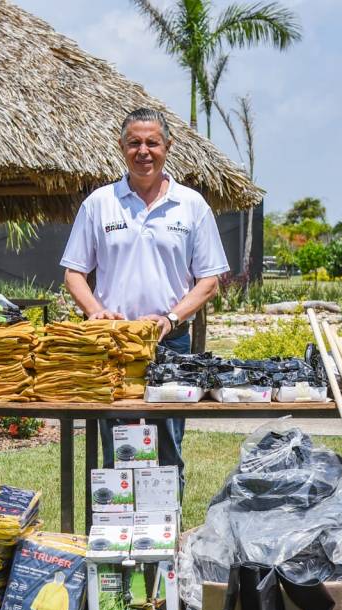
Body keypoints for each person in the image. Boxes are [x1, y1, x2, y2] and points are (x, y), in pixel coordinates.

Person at [59, 107, 229, 488]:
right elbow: (74, 273)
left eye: (152, 142)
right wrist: (96, 311)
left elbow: (209, 280)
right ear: (121, 147)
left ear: (168, 146)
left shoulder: (192, 205)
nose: (143, 151)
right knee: (117, 449)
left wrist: (171, 317)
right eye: (134, 142)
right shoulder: (99, 203)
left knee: (167, 450)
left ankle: (165, 534)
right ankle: (116, 537)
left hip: (170, 343)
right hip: (113, 345)